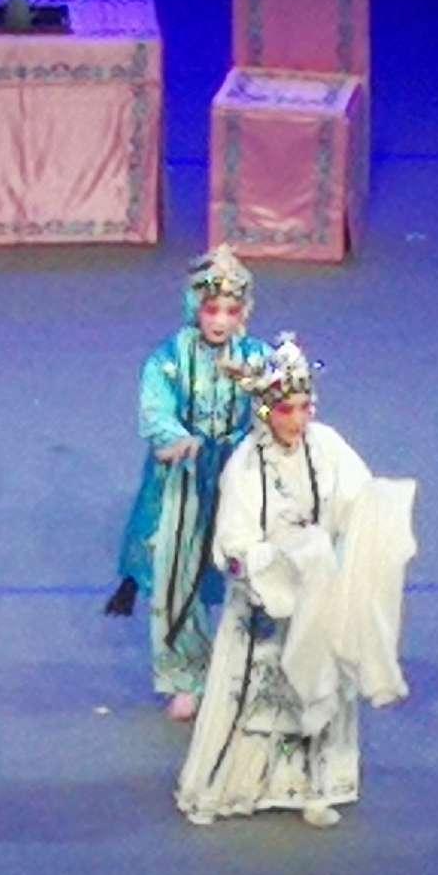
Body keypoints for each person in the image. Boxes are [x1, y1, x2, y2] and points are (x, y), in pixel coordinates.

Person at [174, 334, 417, 829]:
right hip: (267, 605)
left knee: (317, 691)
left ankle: (314, 787)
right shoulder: (247, 465)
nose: (298, 420)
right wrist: (276, 562)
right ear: (267, 412)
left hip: (317, 599)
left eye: (306, 407)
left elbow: (357, 501)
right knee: (258, 700)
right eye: (287, 409)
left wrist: (361, 526)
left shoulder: (327, 447)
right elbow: (233, 544)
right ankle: (240, 785)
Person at [106, 245, 271, 723]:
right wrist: (175, 439)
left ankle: (253, 671)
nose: (219, 321)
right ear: (195, 307)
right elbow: (155, 409)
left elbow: (279, 405)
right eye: (211, 309)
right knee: (176, 574)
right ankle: (185, 676)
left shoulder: (257, 357)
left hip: (240, 476)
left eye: (230, 311)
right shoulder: (169, 359)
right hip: (185, 476)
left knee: (256, 573)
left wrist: (263, 412)